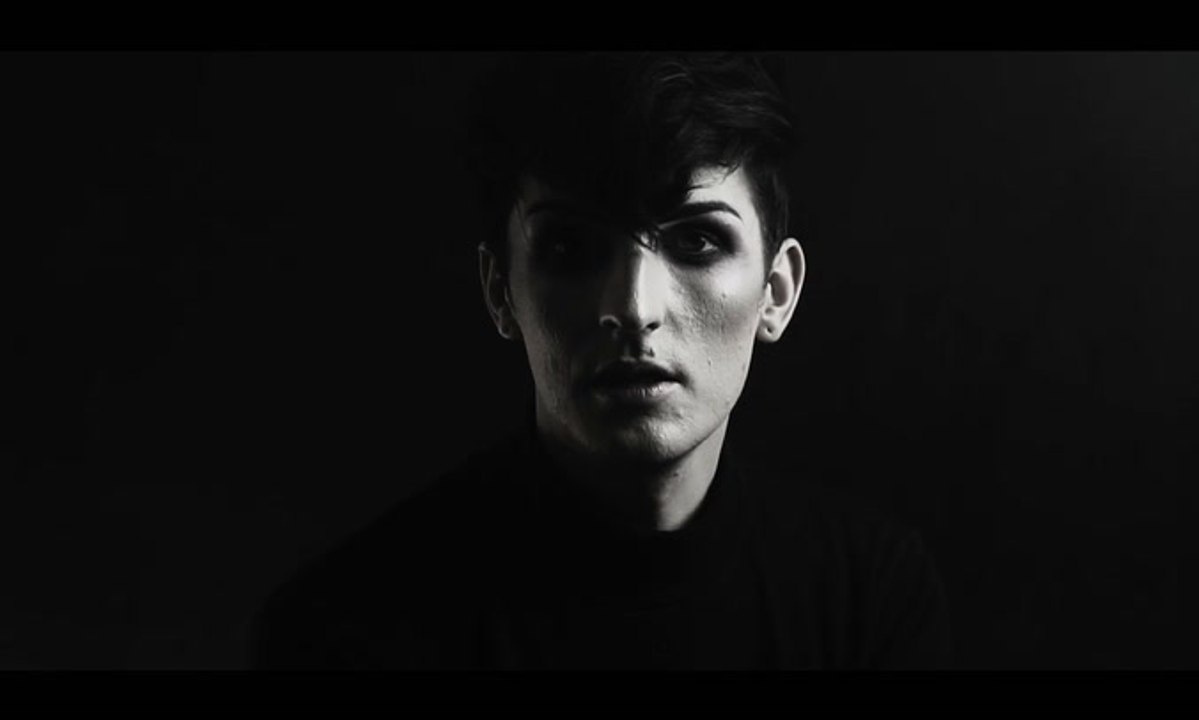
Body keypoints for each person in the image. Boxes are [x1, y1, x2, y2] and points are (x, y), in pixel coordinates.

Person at [249, 52, 953, 670]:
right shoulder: (343, 634)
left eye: (697, 242)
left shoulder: (866, 597)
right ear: (501, 292)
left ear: (776, 291)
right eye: (571, 248)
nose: (634, 307)